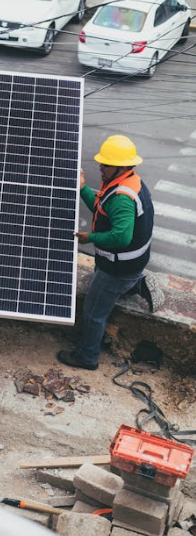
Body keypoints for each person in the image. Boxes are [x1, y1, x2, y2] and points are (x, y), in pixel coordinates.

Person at [57, 135, 164, 371]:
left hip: (117, 269)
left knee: (94, 312)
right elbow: (102, 207)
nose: (101, 167)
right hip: (129, 264)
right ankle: (138, 284)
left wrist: (90, 237)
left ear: (122, 166)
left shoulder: (123, 198)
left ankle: (87, 356)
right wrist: (83, 188)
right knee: (107, 287)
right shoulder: (130, 182)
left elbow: (121, 237)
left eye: (106, 164)